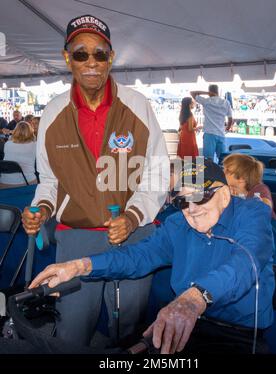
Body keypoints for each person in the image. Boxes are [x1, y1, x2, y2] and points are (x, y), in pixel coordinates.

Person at [22, 14, 169, 347]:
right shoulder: (53, 112)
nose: (91, 62)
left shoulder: (137, 105)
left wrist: (132, 217)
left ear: (111, 58)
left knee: (128, 330)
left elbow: (158, 172)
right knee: (72, 330)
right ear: (66, 57)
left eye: (99, 54)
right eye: (80, 54)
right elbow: (48, 179)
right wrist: (41, 210)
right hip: (76, 237)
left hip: (136, 237)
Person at [30, 158, 275, 354]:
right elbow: (138, 256)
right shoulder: (178, 224)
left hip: (235, 335)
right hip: (179, 326)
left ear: (224, 195)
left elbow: (244, 265)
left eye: (200, 196)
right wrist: (79, 266)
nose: (192, 209)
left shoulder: (252, 214)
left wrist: (193, 299)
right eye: (182, 201)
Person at [223, 153, 276, 220]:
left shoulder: (260, 189)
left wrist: (238, 201)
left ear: (241, 178)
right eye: (223, 168)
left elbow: (266, 208)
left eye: (227, 171)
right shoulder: (225, 188)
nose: (222, 172)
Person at [191, 85, 233, 162]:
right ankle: (222, 173)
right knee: (223, 159)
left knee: (208, 160)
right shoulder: (226, 102)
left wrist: (207, 93)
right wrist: (226, 129)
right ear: (218, 91)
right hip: (221, 134)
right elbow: (230, 119)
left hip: (209, 133)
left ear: (210, 92)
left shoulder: (206, 101)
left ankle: (210, 174)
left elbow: (192, 93)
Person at [0, 121, 37, 187]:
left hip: (4, 182)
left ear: (15, 131)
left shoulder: (7, 144)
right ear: (31, 131)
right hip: (28, 181)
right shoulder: (35, 145)